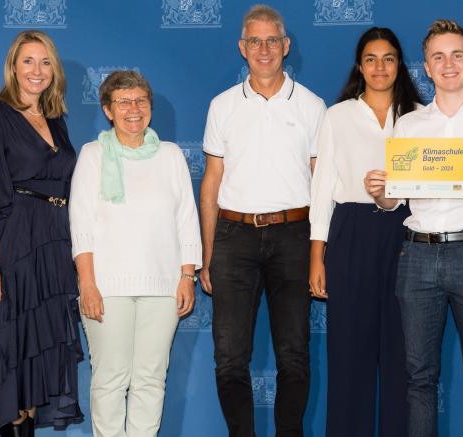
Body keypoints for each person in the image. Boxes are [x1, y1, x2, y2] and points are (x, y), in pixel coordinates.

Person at [363, 19, 463, 437]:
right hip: (416, 256)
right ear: (426, 69)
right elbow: (393, 199)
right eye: (438, 57)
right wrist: (378, 192)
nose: (448, 64)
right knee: (418, 377)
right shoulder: (409, 126)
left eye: (456, 55)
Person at [198, 5, 326, 437]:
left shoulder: (311, 105)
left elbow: (319, 182)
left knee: (294, 354)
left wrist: (319, 251)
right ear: (242, 48)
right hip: (234, 237)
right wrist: (207, 251)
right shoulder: (222, 106)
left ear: (286, 46)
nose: (265, 49)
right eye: (255, 41)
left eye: (273, 40)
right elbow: (211, 181)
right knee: (231, 356)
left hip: (295, 235)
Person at [69, 70, 202, 437]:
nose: (133, 108)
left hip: (163, 286)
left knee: (150, 379)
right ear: (108, 111)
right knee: (111, 379)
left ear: (150, 108)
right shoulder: (93, 155)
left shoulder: (171, 155)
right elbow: (80, 223)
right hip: (106, 287)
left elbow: (186, 219)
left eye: (141, 100)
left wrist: (187, 275)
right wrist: (88, 284)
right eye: (123, 102)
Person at [0, 30, 85, 437]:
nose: (37, 71)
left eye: (45, 62)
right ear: (13, 68)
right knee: (11, 369)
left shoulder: (57, 121)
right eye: (28, 62)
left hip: (54, 249)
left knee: (37, 373)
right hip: (15, 245)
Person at [308, 27, 421, 437]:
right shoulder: (336, 116)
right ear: (360, 65)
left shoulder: (418, 117)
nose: (379, 67)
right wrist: (316, 256)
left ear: (399, 65)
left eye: (388, 58)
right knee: (349, 352)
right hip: (350, 232)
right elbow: (321, 190)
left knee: (401, 351)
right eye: (371, 59)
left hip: (405, 234)